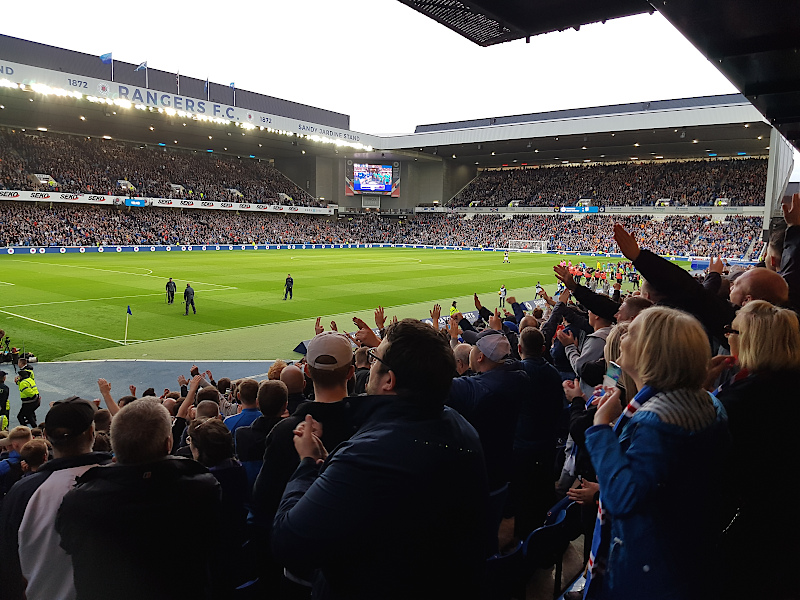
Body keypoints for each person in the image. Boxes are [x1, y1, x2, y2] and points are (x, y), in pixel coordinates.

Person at [271, 319, 488, 600]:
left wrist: (308, 464)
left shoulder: (369, 456)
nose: (371, 365)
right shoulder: (461, 428)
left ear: (389, 380)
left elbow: (288, 541)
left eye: (375, 358)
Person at [582, 307, 728, 600]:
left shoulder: (657, 420)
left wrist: (600, 428)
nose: (621, 337)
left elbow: (624, 498)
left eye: (631, 333)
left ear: (651, 351)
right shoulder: (702, 402)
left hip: (648, 567)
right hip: (680, 555)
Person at [56, 399, 227, 600]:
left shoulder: (78, 502)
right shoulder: (203, 488)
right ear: (168, 444)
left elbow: (68, 545)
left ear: (115, 449)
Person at [714, 300, 800, 600]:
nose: (727, 336)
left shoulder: (743, 400)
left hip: (753, 536)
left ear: (751, 340)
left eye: (732, 330)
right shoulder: (780, 385)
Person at [0, 398, 111, 600]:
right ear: (91, 433)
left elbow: (8, 565)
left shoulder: (23, 493)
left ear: (45, 436)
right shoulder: (121, 480)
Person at [14, 360, 39, 428]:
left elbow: (27, 391)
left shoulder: (23, 383)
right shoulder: (29, 379)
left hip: (28, 401)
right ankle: (35, 428)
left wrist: (34, 396)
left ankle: (27, 430)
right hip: (34, 400)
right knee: (29, 414)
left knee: (21, 416)